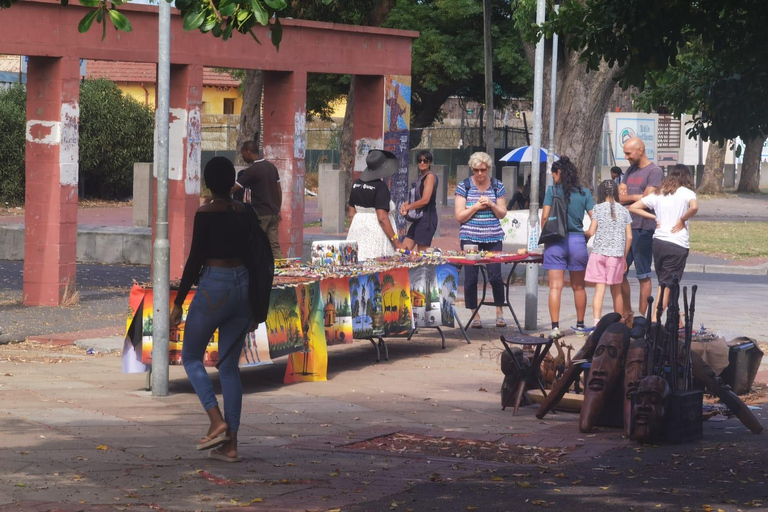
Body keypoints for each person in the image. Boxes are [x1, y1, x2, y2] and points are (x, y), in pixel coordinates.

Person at [171, 156, 256, 463]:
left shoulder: (205, 213)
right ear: (231, 181)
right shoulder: (246, 212)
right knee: (230, 368)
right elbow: (255, 254)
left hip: (215, 286)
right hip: (243, 286)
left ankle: (215, 418)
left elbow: (195, 260)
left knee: (192, 356)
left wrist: (179, 302)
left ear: (208, 183)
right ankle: (230, 445)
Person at [629, 164, 698, 321]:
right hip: (677, 243)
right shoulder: (687, 193)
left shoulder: (659, 194)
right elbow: (694, 207)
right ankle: (654, 321)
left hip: (659, 242)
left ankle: (677, 321)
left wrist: (655, 218)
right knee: (665, 285)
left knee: (667, 281)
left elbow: (633, 207)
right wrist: (682, 219)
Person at [541, 156, 595, 338]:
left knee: (555, 287)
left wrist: (547, 233)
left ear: (559, 173)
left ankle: (555, 328)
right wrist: (588, 232)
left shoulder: (552, 191)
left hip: (556, 241)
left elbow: (545, 218)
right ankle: (580, 326)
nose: (553, 179)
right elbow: (595, 217)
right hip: (577, 241)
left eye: (554, 175)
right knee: (579, 287)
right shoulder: (584, 193)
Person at [454, 151, 508, 328]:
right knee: (471, 278)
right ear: (472, 169)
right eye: (476, 170)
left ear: (488, 169)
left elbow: (502, 213)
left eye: (483, 170)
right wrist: (476, 207)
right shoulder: (464, 186)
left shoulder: (496, 185)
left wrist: (491, 204)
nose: (480, 174)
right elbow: (460, 216)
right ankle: (474, 314)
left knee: (496, 276)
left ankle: (499, 312)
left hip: (493, 236)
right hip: (470, 237)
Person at [618, 137, 663, 324]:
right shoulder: (630, 170)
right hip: (627, 227)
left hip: (644, 228)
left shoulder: (655, 171)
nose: (626, 157)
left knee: (643, 274)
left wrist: (632, 196)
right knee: (619, 271)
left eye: (628, 153)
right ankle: (627, 314)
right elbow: (620, 198)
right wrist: (638, 196)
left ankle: (642, 319)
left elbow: (649, 198)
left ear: (640, 150)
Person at [584, 180, 633, 327]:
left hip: (599, 253)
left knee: (599, 290)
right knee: (616, 291)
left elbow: (591, 231)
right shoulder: (624, 211)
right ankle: (618, 323)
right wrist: (624, 257)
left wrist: (581, 233)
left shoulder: (597, 209)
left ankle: (596, 324)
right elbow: (629, 237)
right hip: (616, 255)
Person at [232, 140, 284, 259]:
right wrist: (277, 209)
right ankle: (283, 272)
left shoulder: (252, 170)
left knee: (256, 244)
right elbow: (278, 190)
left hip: (261, 214)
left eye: (243, 153)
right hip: (273, 213)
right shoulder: (271, 167)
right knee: (274, 246)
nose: (243, 157)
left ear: (248, 152)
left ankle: (257, 272)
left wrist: (217, 195)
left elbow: (235, 188)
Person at [347, 149, 403, 260]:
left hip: (357, 229)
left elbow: (351, 214)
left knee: (356, 263)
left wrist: (354, 232)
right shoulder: (380, 187)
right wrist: (396, 242)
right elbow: (382, 217)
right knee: (375, 264)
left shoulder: (356, 185)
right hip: (376, 233)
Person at [400, 150, 438, 250]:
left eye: (425, 161)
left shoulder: (430, 177)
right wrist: (405, 204)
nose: (422, 163)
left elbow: (425, 200)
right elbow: (416, 198)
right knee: (404, 250)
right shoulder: (420, 177)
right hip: (418, 218)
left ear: (430, 162)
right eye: (419, 160)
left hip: (427, 219)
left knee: (422, 254)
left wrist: (408, 207)